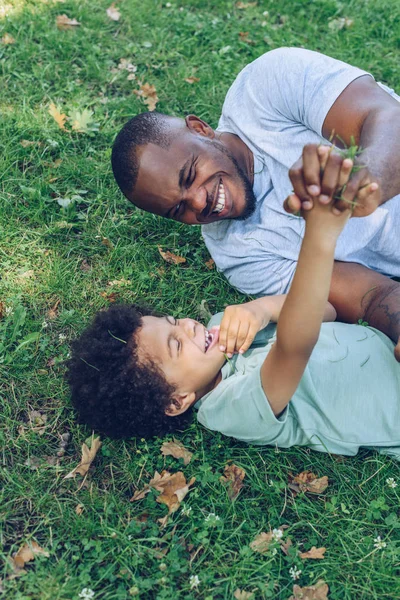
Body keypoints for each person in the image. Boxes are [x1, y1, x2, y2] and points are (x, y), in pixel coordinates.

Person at [67, 166, 400, 461]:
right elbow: (294, 347)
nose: (187, 327)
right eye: (177, 345)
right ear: (177, 401)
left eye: (173, 321)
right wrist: (320, 237)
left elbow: (325, 311)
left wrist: (262, 308)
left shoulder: (223, 327)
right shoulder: (229, 409)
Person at [111, 47, 400, 362]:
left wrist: (363, 187)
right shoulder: (237, 255)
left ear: (200, 128)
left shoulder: (264, 86)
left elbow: (386, 116)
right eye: (179, 210)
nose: (199, 202)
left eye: (190, 174)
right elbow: (369, 298)